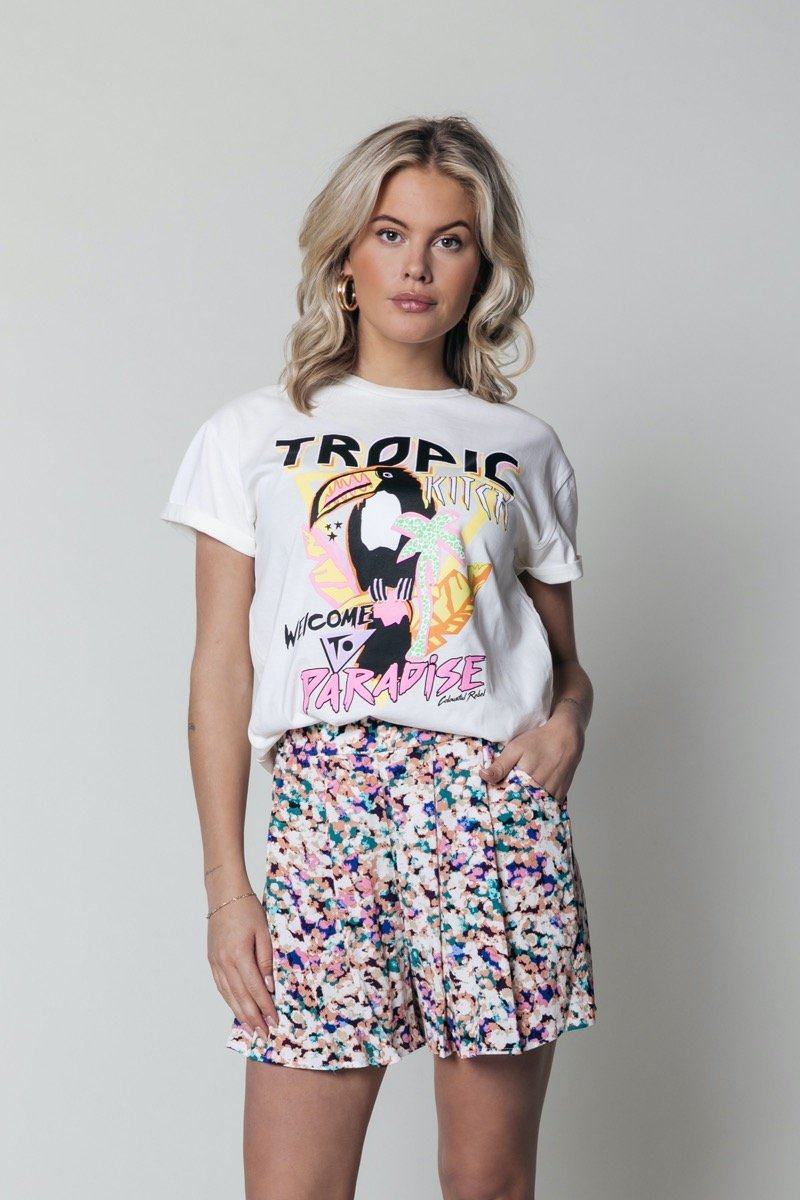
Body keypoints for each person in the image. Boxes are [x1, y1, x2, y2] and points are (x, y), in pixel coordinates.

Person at [159, 114, 597, 1200]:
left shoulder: (522, 447)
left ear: (482, 268)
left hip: (485, 814)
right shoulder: (251, 433)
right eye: (390, 233)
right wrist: (228, 890)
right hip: (325, 813)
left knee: (487, 1183)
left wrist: (567, 727)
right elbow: (220, 670)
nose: (416, 266)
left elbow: (563, 665)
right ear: (345, 254)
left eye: (450, 240)